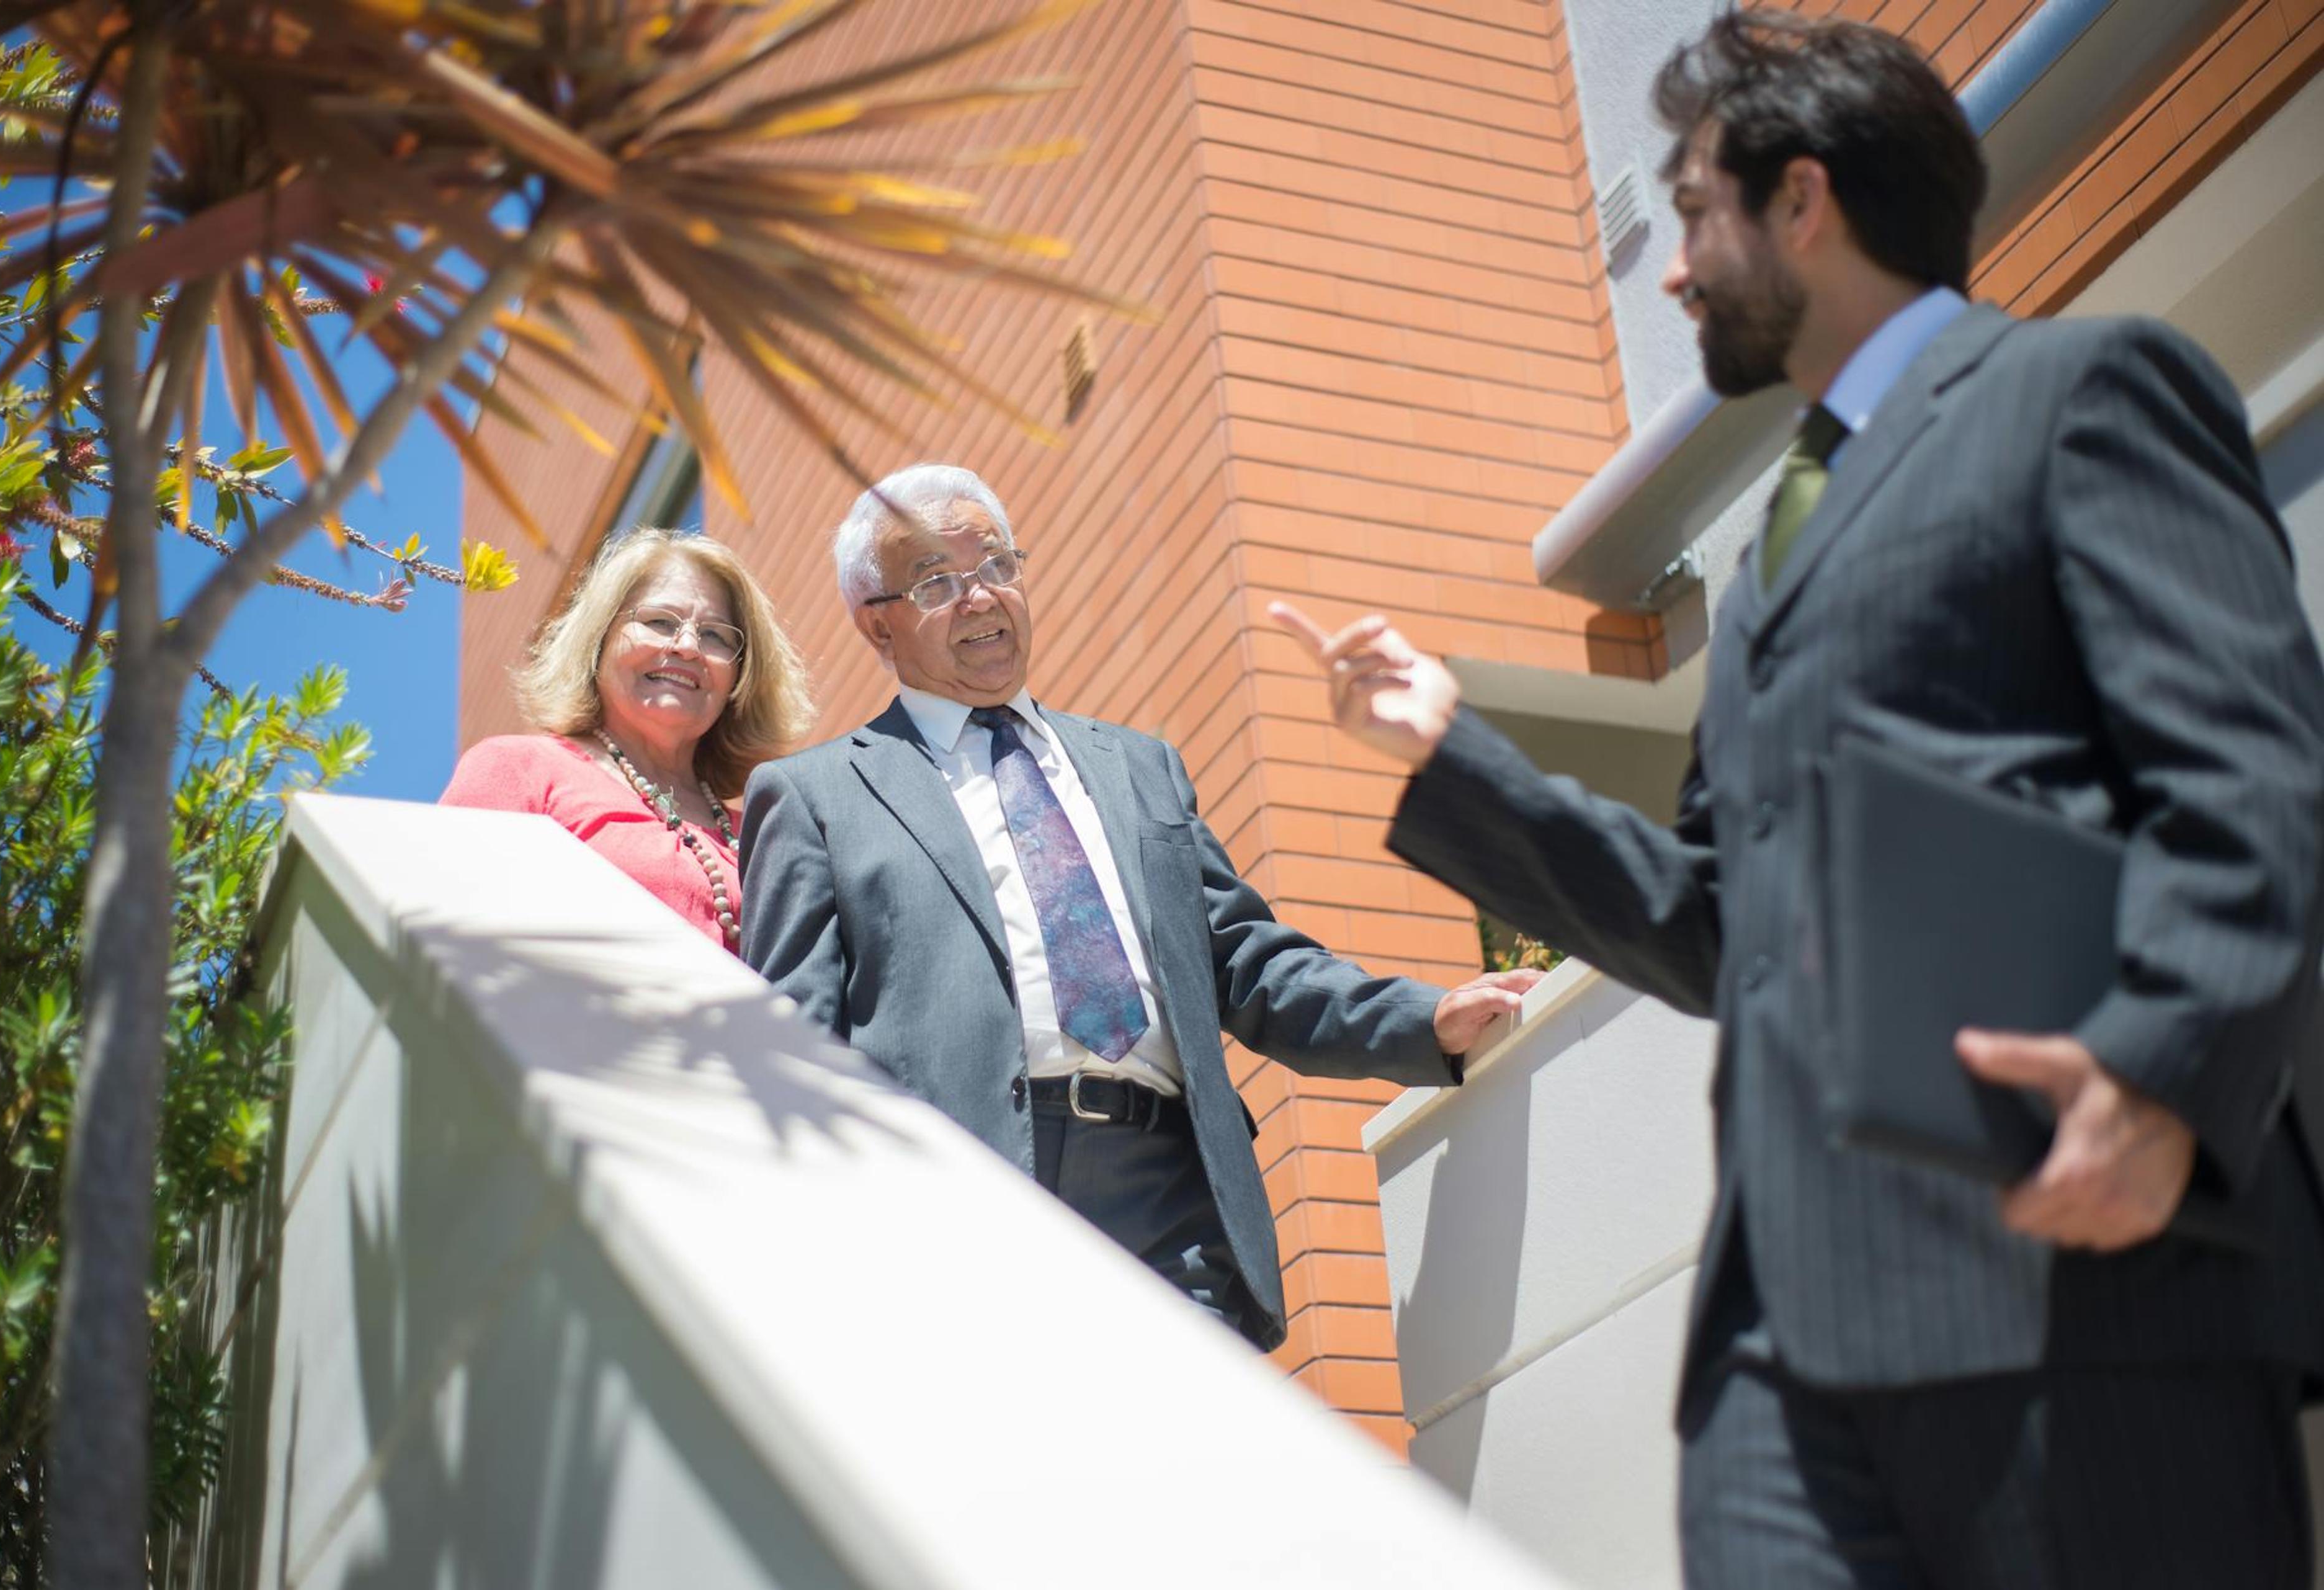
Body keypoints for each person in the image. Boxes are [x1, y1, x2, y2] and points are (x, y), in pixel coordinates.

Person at [1274, 12, 2324, 1589]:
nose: (1677, 267)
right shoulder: (1763, 571)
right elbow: (1717, 920)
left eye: (1691, 210)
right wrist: (1451, 757)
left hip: (2073, 1266)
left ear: (1802, 201)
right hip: (1781, 1347)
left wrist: (2163, 1073)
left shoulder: (2080, 390)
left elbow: (2253, 772)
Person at [736, 462, 1539, 1349]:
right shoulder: (815, 796)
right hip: (959, 1205)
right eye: (935, 582)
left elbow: (1250, 962)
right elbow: (792, 1048)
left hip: (1169, 1193)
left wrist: (1426, 1019)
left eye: (996, 564)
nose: (979, 598)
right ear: (874, 622)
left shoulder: (1138, 766)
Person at [442, 526, 812, 952]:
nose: (689, 646)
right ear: (600, 639)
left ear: (738, 677)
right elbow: (439, 941)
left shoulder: (763, 834)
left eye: (716, 635)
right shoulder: (518, 771)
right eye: (659, 621)